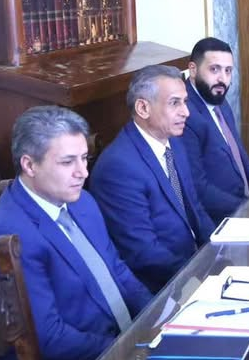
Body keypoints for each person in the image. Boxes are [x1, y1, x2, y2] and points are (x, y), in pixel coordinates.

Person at [0, 106, 151, 360]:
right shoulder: (9, 234)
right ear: (29, 165)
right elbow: (49, 338)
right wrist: (128, 348)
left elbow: (116, 269)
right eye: (68, 162)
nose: (83, 172)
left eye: (84, 158)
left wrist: (158, 317)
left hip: (117, 345)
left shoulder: (82, 201)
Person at [90, 64, 214, 292]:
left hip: (195, 266)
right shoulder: (118, 167)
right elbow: (143, 253)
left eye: (185, 102)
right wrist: (200, 276)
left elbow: (195, 209)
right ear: (143, 108)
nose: (186, 112)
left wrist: (219, 253)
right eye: (174, 103)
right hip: (163, 287)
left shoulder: (175, 142)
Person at [178, 37, 249, 224]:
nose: (222, 79)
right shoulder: (185, 114)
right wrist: (248, 208)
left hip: (245, 208)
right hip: (219, 219)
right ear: (193, 70)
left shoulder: (219, 102)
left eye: (228, 71)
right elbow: (197, 187)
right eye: (214, 69)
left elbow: (240, 159)